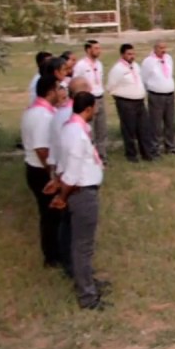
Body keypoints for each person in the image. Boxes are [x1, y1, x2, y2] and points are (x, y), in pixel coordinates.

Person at [50, 92, 108, 311]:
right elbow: (73, 174)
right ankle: (87, 296)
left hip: (81, 189)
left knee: (80, 244)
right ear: (88, 109)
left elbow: (64, 163)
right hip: (82, 193)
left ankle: (88, 282)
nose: (96, 112)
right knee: (83, 246)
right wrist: (62, 196)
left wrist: (57, 182)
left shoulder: (71, 128)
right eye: (95, 108)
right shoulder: (77, 134)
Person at [47, 77, 89, 278]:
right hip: (73, 180)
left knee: (68, 222)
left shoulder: (63, 114)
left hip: (65, 173)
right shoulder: (70, 117)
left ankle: (70, 263)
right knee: (74, 227)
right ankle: (74, 268)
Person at [22, 75, 63, 270]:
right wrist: (53, 175)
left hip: (36, 168)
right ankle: (52, 256)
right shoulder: (41, 116)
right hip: (40, 171)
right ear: (51, 91)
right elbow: (41, 149)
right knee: (51, 215)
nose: (61, 92)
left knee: (51, 214)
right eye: (58, 88)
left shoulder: (37, 111)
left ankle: (55, 252)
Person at [107, 43, 157, 163]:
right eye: (129, 54)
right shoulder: (117, 69)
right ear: (122, 54)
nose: (132, 56)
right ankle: (131, 155)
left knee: (144, 128)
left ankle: (146, 153)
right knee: (129, 129)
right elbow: (110, 87)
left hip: (139, 101)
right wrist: (121, 97)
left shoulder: (135, 66)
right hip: (126, 102)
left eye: (133, 54)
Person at [71, 40, 108, 163]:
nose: (99, 50)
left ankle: (102, 155)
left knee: (101, 128)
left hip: (100, 97)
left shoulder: (100, 64)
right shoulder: (81, 65)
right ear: (88, 50)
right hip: (88, 99)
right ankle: (90, 156)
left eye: (99, 48)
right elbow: (76, 82)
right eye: (96, 48)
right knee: (89, 129)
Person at [141, 41, 175, 156]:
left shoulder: (168, 58)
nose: (163, 50)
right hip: (156, 95)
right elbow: (144, 78)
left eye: (164, 47)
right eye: (161, 48)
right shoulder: (148, 62)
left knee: (170, 122)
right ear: (155, 48)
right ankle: (155, 147)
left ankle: (170, 146)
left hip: (169, 94)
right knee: (156, 123)